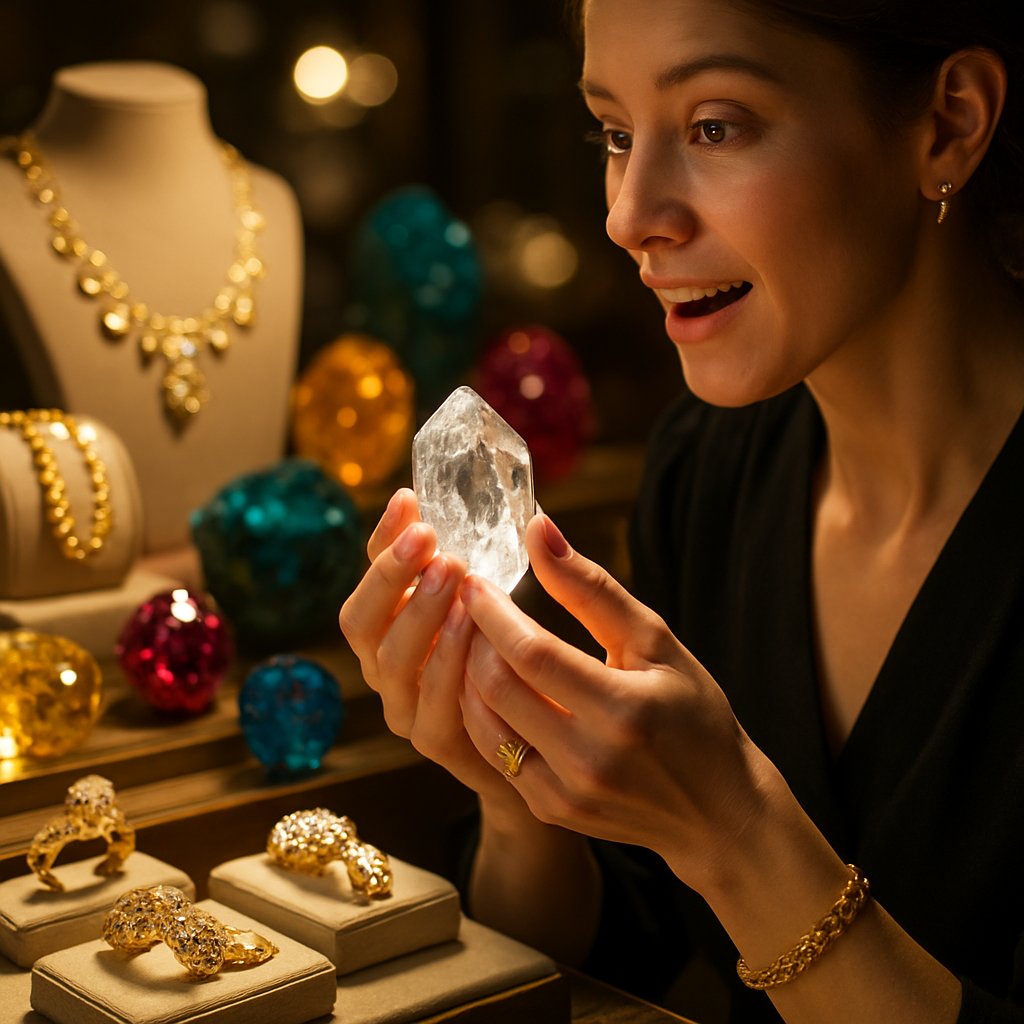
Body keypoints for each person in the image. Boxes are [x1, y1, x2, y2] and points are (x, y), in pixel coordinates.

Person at [340, 1, 1024, 1020]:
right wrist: (516, 791)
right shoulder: (708, 473)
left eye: (714, 126)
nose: (627, 216)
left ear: (948, 123)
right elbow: (615, 949)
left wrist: (735, 831)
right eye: (615, 134)